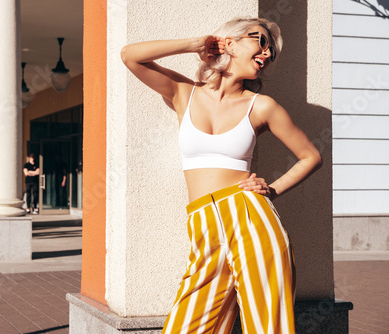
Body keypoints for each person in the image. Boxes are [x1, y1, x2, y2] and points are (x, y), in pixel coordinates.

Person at [121, 17, 322, 334]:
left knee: (268, 327)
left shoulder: (261, 106)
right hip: (203, 227)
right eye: (262, 42)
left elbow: (311, 156)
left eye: (272, 51)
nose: (267, 54)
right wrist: (195, 44)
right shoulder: (184, 93)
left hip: (250, 220)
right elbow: (130, 55)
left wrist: (273, 189)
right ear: (232, 41)